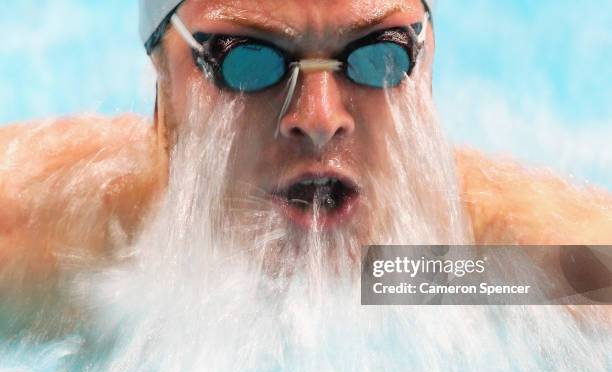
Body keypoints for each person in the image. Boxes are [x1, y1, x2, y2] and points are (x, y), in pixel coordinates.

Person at [1, 0, 611, 282]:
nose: (319, 119)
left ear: (427, 67)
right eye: (245, 62)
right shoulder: (63, 249)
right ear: (164, 83)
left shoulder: (455, 273)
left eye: (379, 55)